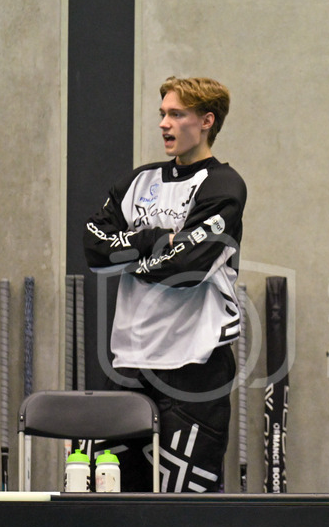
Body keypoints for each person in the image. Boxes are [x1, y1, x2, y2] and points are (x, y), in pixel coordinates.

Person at [83, 76, 246, 492]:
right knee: (110, 492)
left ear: (206, 121)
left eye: (177, 114)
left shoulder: (223, 186)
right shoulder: (138, 182)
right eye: (162, 114)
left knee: (188, 504)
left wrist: (133, 257)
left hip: (194, 367)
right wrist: (154, 241)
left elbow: (187, 266)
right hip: (129, 363)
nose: (164, 124)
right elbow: (93, 246)